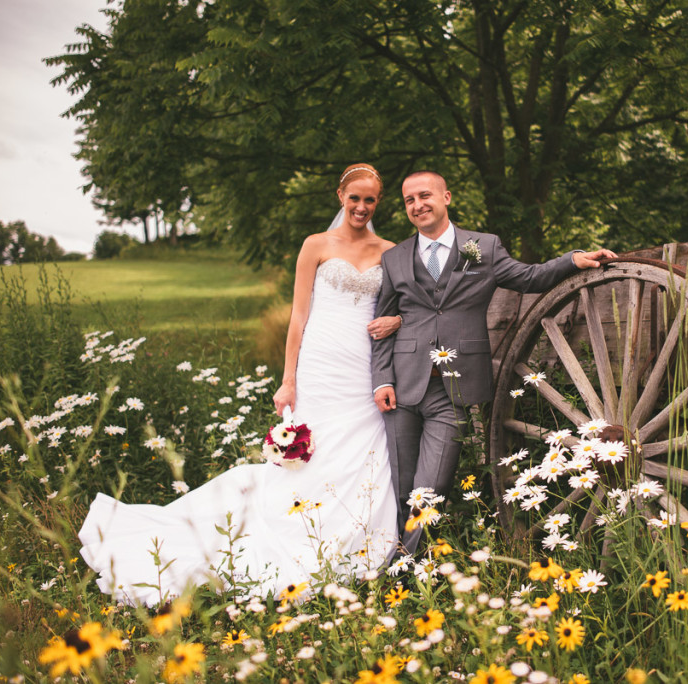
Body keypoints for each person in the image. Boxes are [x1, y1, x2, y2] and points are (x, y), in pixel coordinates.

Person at [79, 164, 402, 606]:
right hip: (321, 362)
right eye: (355, 198)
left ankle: (353, 541)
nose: (361, 207)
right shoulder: (316, 245)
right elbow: (299, 316)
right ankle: (293, 529)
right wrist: (288, 381)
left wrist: (398, 319)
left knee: (362, 449)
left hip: (365, 364)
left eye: (370, 200)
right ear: (340, 196)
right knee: (315, 449)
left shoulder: (391, 251)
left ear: (378, 203)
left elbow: (412, 305)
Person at [371, 170, 617, 553]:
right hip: (402, 387)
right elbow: (382, 326)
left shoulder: (482, 247)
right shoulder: (394, 258)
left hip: (453, 388)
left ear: (446, 197)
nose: (418, 205)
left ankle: (401, 570)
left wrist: (573, 260)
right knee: (402, 487)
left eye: (425, 196)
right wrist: (382, 380)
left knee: (430, 488)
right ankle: (401, 563)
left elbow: (529, 277)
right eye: (409, 201)